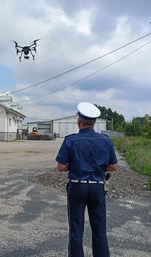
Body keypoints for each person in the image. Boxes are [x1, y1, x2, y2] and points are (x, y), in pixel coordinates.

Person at [55, 102, 118, 257]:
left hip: (77, 187)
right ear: (94, 122)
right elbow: (114, 167)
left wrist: (76, 166)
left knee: (76, 229)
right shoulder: (105, 140)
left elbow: (61, 166)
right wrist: (99, 168)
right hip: (97, 187)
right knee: (99, 229)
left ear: (79, 121)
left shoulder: (70, 140)